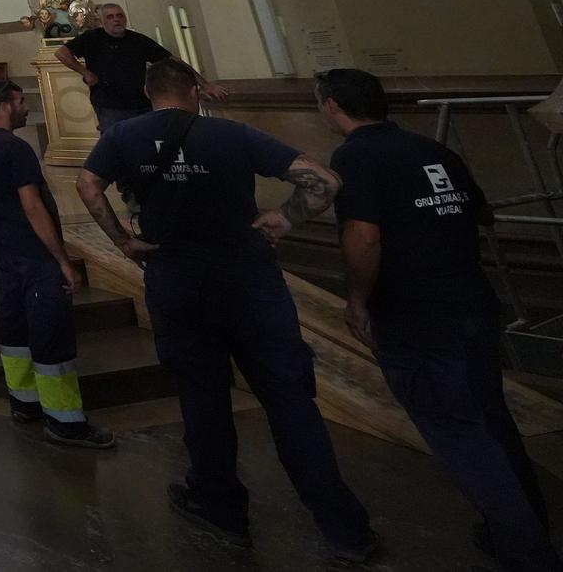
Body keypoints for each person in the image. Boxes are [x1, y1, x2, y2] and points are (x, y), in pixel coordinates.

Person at [77, 59, 377, 563]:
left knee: (202, 397)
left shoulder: (123, 135)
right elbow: (322, 180)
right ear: (194, 90)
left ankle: (221, 507)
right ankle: (343, 526)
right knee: (290, 400)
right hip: (248, 277)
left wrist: (123, 242)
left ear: (150, 93)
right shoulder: (234, 134)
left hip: (176, 277)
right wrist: (284, 218)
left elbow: (87, 186)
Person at [321, 68, 560, 572]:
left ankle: (527, 553)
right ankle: (516, 527)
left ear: (332, 107)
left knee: (458, 434)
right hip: (470, 301)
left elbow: (364, 237)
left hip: (415, 315)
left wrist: (358, 300)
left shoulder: (354, 158)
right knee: (492, 421)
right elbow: (482, 215)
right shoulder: (434, 150)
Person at [0, 80, 114, 449]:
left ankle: (24, 401)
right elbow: (33, 207)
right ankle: (65, 420)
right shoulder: (15, 149)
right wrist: (61, 259)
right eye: (19, 101)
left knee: (13, 325)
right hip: (33, 253)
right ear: (3, 106)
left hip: (3, 248)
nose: (25, 107)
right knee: (51, 331)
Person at [59, 3, 227, 136]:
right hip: (110, 105)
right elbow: (62, 53)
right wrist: (84, 72)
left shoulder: (138, 40)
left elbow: (173, 61)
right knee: (118, 144)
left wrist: (205, 85)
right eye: (110, 17)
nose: (116, 20)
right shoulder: (91, 38)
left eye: (120, 15)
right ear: (101, 21)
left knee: (150, 141)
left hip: (142, 103)